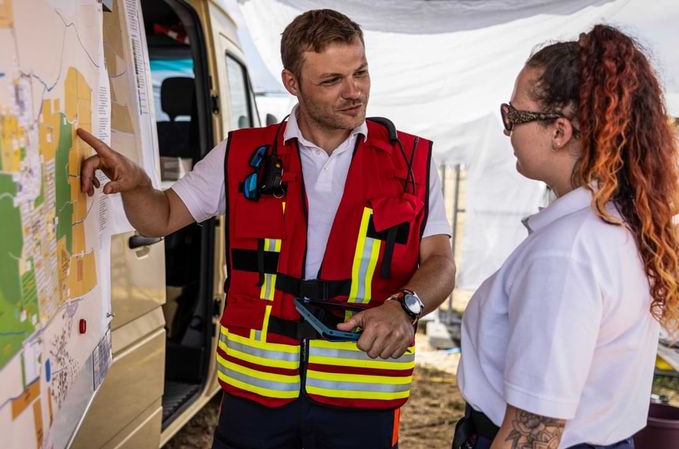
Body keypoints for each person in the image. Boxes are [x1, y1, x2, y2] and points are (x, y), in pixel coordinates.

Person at [78, 9, 455, 449]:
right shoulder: (239, 154)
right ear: (292, 83)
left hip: (363, 397)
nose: (354, 92)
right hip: (256, 395)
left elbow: (441, 262)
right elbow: (159, 217)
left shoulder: (412, 161)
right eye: (332, 80)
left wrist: (406, 307)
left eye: (361, 73)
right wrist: (139, 185)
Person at [454, 24, 679, 449]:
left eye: (514, 116)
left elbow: (534, 433)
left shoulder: (566, 252)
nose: (508, 130)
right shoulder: (615, 222)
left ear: (559, 131)